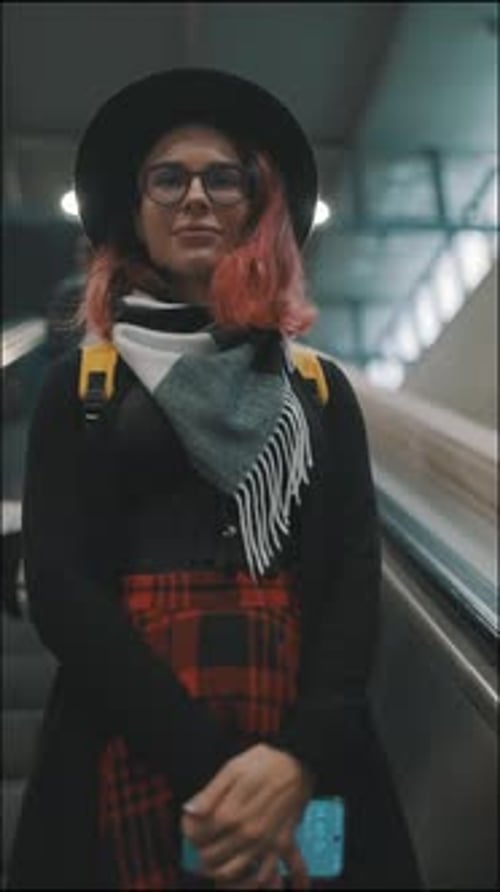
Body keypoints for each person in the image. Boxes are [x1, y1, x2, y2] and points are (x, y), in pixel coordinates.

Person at [7, 69, 421, 890]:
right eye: (169, 177)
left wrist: (297, 756)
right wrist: (214, 760)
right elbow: (57, 584)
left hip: (297, 728)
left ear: (255, 207)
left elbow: (348, 574)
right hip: (127, 725)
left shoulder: (319, 388)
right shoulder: (82, 383)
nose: (194, 197)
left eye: (221, 177)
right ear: (136, 210)